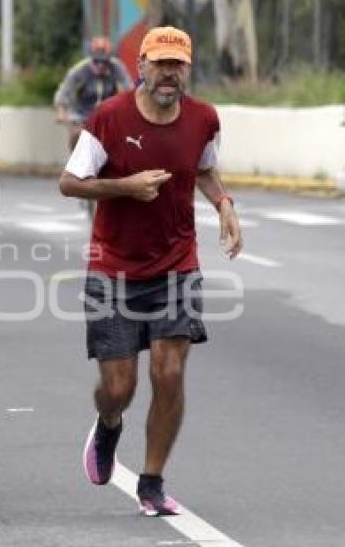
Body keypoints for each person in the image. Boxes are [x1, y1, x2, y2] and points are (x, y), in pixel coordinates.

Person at [58, 26, 243, 516]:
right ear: (140, 65)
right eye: (159, 63)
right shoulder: (109, 117)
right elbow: (70, 183)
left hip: (176, 264)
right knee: (120, 387)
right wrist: (125, 186)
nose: (168, 72)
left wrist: (223, 203)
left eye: (177, 64)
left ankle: (153, 481)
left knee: (170, 373)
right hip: (113, 268)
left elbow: (202, 168)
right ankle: (108, 424)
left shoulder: (204, 118)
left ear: (188, 68)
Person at [54, 36, 133, 152]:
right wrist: (62, 112)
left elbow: (130, 90)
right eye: (96, 61)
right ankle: (77, 164)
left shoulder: (117, 67)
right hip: (82, 116)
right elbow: (64, 92)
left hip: (108, 116)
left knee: (122, 139)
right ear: (91, 58)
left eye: (104, 61)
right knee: (77, 136)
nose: (100, 65)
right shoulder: (79, 70)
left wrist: (131, 109)